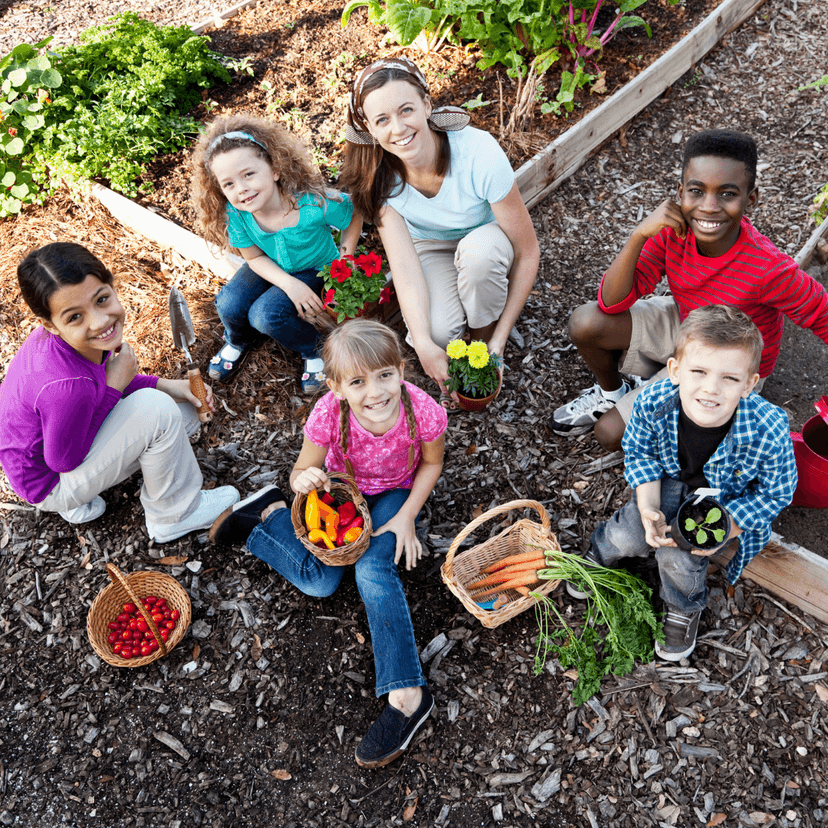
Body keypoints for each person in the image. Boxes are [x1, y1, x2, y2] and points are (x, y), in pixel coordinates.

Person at [209, 319, 447, 768]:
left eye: (384, 375)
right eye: (358, 382)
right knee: (320, 583)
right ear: (337, 387)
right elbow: (301, 473)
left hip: (395, 492)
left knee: (373, 567)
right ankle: (266, 520)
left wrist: (406, 517)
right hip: (340, 493)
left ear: (401, 370)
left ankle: (407, 696)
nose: (375, 392)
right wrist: (305, 480)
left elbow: (431, 465)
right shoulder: (328, 415)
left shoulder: (423, 410)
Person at [551, 129, 828, 449]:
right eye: (697, 191)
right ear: (681, 193)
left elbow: (823, 315)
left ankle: (711, 422)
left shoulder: (768, 269)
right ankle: (614, 394)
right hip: (686, 323)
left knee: (611, 435)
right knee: (587, 321)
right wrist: (639, 235)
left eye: (727, 194)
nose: (709, 206)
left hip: (726, 363)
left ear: (750, 199)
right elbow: (612, 304)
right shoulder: (672, 233)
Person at [568, 305, 797, 661]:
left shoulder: (769, 428)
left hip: (724, 500)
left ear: (750, 384)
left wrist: (727, 527)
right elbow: (641, 454)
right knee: (628, 533)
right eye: (699, 372)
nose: (711, 389)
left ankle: (682, 605)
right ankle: (601, 553)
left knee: (680, 556)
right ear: (674, 371)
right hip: (667, 480)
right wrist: (647, 507)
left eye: (730, 378)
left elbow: (777, 491)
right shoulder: (652, 402)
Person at [0, 242, 239, 541]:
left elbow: (103, 383)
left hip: (40, 452)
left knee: (183, 410)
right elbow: (64, 460)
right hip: (50, 483)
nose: (100, 321)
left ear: (112, 286)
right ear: (50, 325)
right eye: (75, 316)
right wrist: (116, 387)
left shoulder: (73, 343)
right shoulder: (66, 388)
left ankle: (85, 497)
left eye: (101, 299)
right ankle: (175, 515)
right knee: (159, 412)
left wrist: (168, 385)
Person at [338, 57, 540, 411]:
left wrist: (499, 340)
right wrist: (426, 345)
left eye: (406, 110)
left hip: (487, 239)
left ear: (427, 105)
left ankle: (484, 333)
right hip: (431, 247)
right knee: (438, 335)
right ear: (370, 129)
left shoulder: (478, 153)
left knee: (479, 259)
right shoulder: (379, 178)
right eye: (382, 120)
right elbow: (404, 269)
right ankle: (466, 327)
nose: (398, 128)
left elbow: (528, 252)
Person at [191, 115, 362, 393]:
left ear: (275, 169)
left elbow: (353, 213)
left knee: (267, 315)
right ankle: (238, 339)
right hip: (269, 265)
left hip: (314, 267)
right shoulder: (236, 214)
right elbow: (254, 258)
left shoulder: (310, 203)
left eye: (248, 174)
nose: (242, 189)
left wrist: (346, 256)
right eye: (229, 184)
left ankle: (314, 349)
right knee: (228, 303)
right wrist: (287, 283)